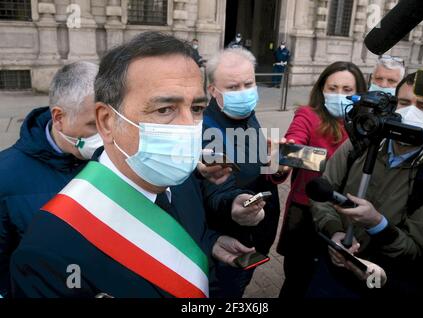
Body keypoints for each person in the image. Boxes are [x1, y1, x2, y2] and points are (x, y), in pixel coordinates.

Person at [10, 32, 254, 298]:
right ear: (106, 121)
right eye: (165, 109)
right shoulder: (49, 250)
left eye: (196, 109)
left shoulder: (181, 180)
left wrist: (211, 244)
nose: (189, 127)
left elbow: (186, 237)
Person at [310, 70, 423, 298]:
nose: (411, 112)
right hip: (330, 272)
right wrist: (334, 232)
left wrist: (377, 223)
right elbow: (323, 193)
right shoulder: (360, 144)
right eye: (404, 102)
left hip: (381, 282)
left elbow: (414, 248)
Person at [0, 61, 100, 298]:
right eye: (93, 124)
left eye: (109, 119)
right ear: (59, 118)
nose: (105, 133)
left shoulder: (111, 159)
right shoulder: (6, 175)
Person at [202, 47, 289, 297]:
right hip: (230, 244)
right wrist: (234, 206)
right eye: (232, 87)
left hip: (257, 237)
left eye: (248, 84)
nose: (243, 93)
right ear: (213, 91)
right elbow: (216, 191)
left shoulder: (246, 114)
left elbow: (260, 168)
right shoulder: (206, 130)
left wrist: (277, 168)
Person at [277, 61, 367, 298]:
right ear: (321, 89)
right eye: (333, 88)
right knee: (297, 279)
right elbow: (293, 143)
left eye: (347, 90)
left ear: (359, 93)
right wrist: (288, 153)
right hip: (305, 211)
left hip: (345, 215)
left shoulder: (365, 125)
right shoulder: (308, 114)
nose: (339, 95)